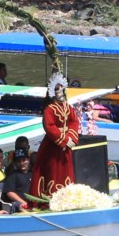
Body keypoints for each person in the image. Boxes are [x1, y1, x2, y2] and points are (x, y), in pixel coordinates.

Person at [29, 72, 80, 200]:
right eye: (57, 90)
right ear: (52, 92)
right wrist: (63, 140)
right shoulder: (49, 109)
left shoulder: (68, 107)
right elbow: (49, 127)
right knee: (52, 171)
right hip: (53, 146)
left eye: (61, 89)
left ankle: (67, 197)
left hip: (66, 146)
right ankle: (51, 198)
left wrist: (71, 137)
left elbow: (74, 121)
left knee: (66, 170)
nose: (60, 92)